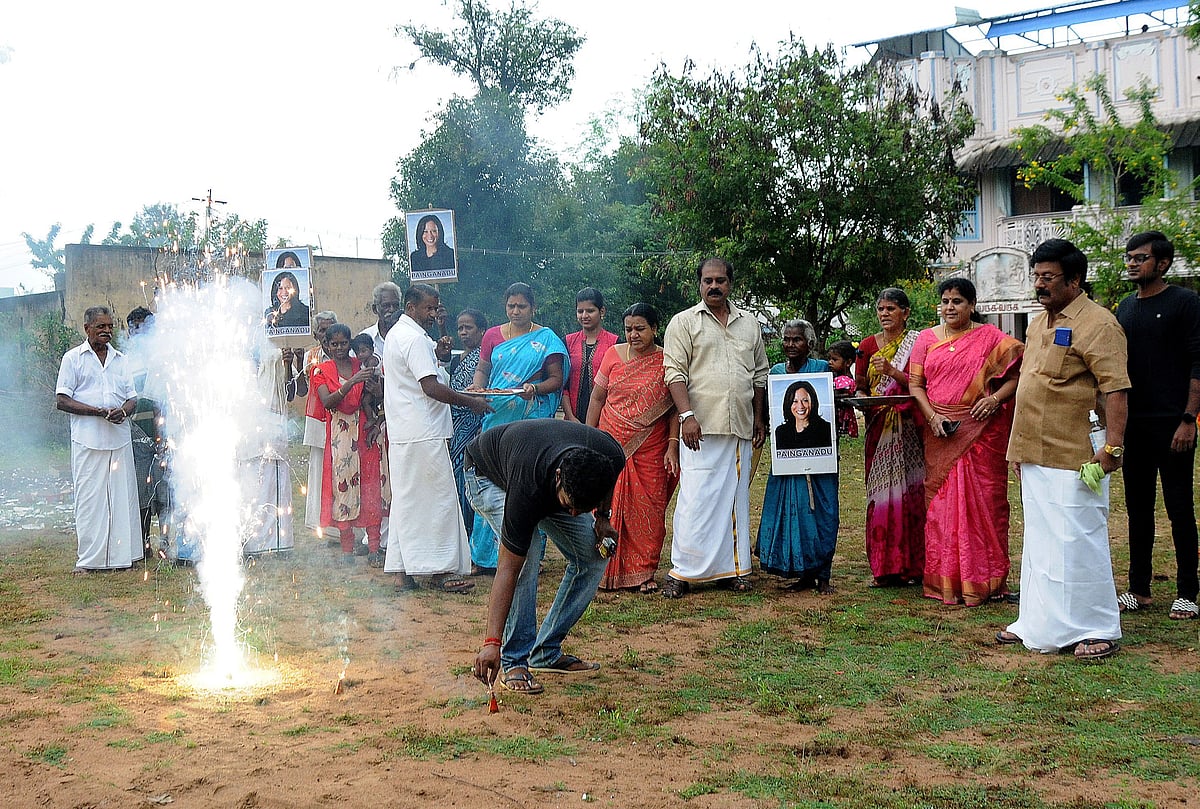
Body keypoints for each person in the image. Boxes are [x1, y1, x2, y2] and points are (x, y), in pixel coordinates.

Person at [1000, 238, 1129, 661]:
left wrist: (1112, 448)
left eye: (1048, 277)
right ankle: (1038, 622)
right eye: (1036, 276)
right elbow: (1033, 386)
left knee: (1079, 538)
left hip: (1078, 454)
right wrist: (1018, 449)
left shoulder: (1099, 323)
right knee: (1041, 540)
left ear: (1074, 280)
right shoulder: (1038, 323)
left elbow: (1115, 391)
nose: (1039, 284)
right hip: (1034, 452)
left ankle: (1097, 627)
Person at [468, 420, 624, 695]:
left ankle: (545, 652)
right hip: (486, 476)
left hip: (544, 475)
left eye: (581, 509)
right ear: (559, 477)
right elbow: (508, 568)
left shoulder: (608, 454)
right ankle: (514, 661)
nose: (573, 515)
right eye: (569, 507)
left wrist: (602, 517)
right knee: (528, 555)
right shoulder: (528, 486)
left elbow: (606, 482)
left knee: (592, 556)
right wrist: (492, 642)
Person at [908, 278, 1023, 606]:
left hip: (981, 433)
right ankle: (946, 581)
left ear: (972, 305)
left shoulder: (989, 338)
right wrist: (932, 418)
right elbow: (916, 385)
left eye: (957, 301)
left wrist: (996, 399)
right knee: (942, 507)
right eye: (945, 301)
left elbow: (1017, 376)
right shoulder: (926, 339)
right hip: (940, 430)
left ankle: (987, 582)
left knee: (985, 504)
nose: (950, 308)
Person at [661, 257, 769, 598]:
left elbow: (759, 376)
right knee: (696, 498)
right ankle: (683, 572)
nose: (714, 286)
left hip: (739, 425)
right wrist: (686, 416)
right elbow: (674, 372)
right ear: (700, 284)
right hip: (700, 428)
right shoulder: (683, 322)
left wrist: (760, 418)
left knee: (734, 500)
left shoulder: (749, 324)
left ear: (730, 284)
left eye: (720, 280)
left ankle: (732, 569)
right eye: (708, 281)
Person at [383, 284, 492, 592]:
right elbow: (430, 387)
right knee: (437, 502)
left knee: (408, 501)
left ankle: (401, 571)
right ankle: (441, 571)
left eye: (435, 308)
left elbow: (425, 376)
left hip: (407, 431)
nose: (433, 314)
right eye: (428, 308)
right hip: (423, 431)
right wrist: (473, 402)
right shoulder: (413, 338)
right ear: (410, 306)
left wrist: (440, 358)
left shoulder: (398, 335)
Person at [1114, 232, 1200, 621]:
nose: (1132, 264)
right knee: (1138, 508)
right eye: (1129, 258)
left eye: (1141, 258)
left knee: (1179, 507)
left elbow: (1198, 364)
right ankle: (1139, 588)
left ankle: (1187, 592)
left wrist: (1188, 419)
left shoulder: (1185, 303)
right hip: (1135, 425)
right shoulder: (1124, 308)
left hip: (1173, 423)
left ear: (1163, 263)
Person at [468, 282, 569, 564]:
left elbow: (556, 379)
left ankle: (526, 555)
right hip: (496, 417)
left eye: (522, 306)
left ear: (533, 308)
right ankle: (485, 557)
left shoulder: (546, 339)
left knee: (526, 483)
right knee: (490, 479)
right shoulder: (491, 336)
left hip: (530, 423)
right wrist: (478, 388)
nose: (516, 311)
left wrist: (534, 389)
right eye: (511, 306)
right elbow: (483, 369)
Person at [586, 303, 679, 593]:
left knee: (649, 510)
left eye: (640, 329)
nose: (634, 335)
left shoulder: (667, 360)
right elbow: (597, 399)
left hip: (651, 447)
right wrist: (589, 437)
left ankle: (643, 573)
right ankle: (603, 570)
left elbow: (675, 407)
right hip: (611, 443)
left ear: (655, 328)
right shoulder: (613, 355)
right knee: (606, 508)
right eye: (628, 329)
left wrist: (672, 445)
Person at [56, 306, 143, 574]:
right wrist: (96, 412)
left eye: (109, 327)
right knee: (90, 500)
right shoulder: (73, 359)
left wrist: (123, 411)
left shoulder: (121, 360)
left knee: (121, 498)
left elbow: (132, 398)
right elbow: (62, 400)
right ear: (87, 329)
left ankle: (122, 558)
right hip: (88, 439)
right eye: (100, 327)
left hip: (118, 438)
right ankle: (88, 561)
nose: (106, 331)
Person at [756, 319, 838, 593]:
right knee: (795, 512)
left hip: (820, 459)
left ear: (810, 344)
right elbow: (768, 409)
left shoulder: (822, 369)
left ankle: (823, 575)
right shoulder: (776, 372)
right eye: (787, 339)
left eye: (797, 340)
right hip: (787, 458)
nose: (791, 345)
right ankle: (803, 572)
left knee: (824, 513)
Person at [854, 288, 927, 588]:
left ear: (905, 313)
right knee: (880, 495)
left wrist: (894, 373)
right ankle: (884, 568)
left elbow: (922, 383)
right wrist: (860, 399)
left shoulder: (919, 343)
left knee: (912, 495)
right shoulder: (868, 345)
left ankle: (913, 566)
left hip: (909, 428)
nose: (884, 314)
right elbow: (860, 385)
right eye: (881, 309)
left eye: (891, 309)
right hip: (879, 426)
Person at [313, 324, 385, 566]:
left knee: (370, 486)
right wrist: (353, 381)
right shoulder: (321, 371)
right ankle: (347, 550)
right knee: (342, 488)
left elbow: (374, 394)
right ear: (327, 346)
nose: (340, 348)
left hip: (364, 434)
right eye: (334, 344)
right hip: (340, 438)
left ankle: (374, 547)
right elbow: (328, 401)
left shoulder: (363, 364)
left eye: (344, 343)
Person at [358, 282, 407, 554]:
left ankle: (396, 537)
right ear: (375, 308)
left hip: (400, 416)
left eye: (393, 305)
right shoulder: (364, 340)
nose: (389, 310)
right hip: (374, 419)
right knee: (377, 478)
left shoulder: (406, 335)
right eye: (384, 306)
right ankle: (376, 536)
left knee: (398, 477)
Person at [447, 308, 490, 570]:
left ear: (482, 331)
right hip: (456, 428)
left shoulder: (484, 360)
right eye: (460, 328)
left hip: (474, 427)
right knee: (459, 486)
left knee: (473, 487)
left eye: (469, 328)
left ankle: (476, 548)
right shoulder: (457, 359)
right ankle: (463, 545)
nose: (463, 333)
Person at [302, 311, 338, 539]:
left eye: (330, 329)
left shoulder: (346, 351)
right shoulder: (310, 357)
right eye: (322, 331)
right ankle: (321, 523)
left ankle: (342, 524)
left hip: (341, 420)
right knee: (319, 470)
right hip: (317, 418)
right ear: (316, 334)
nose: (326, 335)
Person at [562, 287, 619, 424]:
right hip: (572, 419)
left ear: (602, 311)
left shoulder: (615, 343)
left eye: (590, 311)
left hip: (605, 419)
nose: (584, 316)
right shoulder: (567, 342)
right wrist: (570, 416)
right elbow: (563, 385)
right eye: (580, 311)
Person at [774, 379, 833, 449]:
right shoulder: (781, 432)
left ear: (813, 402)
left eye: (805, 400)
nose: (800, 406)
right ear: (788, 404)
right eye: (795, 401)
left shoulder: (827, 429)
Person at [827, 340, 859, 438]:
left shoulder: (845, 380)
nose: (830, 362)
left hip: (840, 416)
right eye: (829, 359)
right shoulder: (836, 377)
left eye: (834, 359)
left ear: (848, 362)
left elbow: (846, 395)